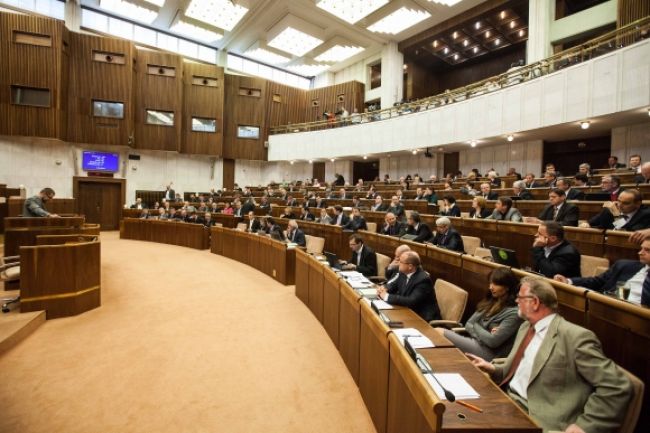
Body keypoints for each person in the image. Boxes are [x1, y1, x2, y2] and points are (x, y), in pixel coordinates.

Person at [468, 277, 632, 433]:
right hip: (506, 400)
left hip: (537, 418)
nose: (516, 301)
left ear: (535, 302)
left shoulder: (575, 337)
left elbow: (616, 386)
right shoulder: (527, 327)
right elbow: (522, 370)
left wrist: (585, 426)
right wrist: (494, 368)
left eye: (520, 298)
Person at [436, 268, 523, 360]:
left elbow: (492, 342)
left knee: (439, 332)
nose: (490, 287)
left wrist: (476, 326)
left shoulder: (514, 313)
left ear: (507, 287)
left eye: (495, 284)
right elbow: (468, 324)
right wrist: (485, 333)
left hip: (489, 353)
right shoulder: (490, 301)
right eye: (490, 283)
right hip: (476, 342)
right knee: (437, 332)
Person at [555, 235, 650, 306]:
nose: (640, 253)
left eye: (647, 250)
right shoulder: (624, 265)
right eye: (641, 248)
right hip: (607, 307)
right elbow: (598, 281)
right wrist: (569, 281)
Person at [376, 251, 440, 321]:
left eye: (401, 262)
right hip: (407, 311)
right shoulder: (403, 272)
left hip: (422, 318)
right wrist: (384, 289)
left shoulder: (423, 280)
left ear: (410, 266)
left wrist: (386, 296)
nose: (398, 263)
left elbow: (411, 301)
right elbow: (393, 286)